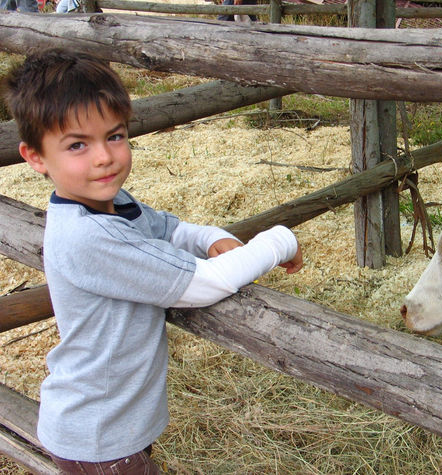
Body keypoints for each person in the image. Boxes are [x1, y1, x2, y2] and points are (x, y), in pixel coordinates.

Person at [2, 48, 302, 473]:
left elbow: (170, 230)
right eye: (77, 145)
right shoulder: (89, 235)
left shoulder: (109, 204)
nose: (104, 156)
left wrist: (214, 238)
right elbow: (205, 285)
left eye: (115, 136)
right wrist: (278, 241)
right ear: (34, 157)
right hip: (101, 437)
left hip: (106, 426)